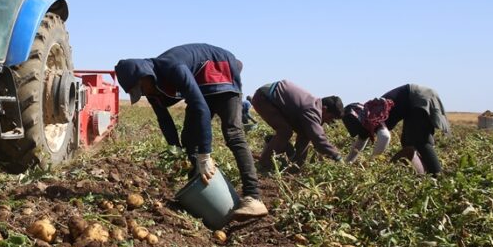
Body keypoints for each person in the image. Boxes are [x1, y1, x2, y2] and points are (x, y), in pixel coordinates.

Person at [115, 43, 268, 220]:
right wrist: (176, 148)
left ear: (145, 76)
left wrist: (205, 154)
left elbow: (200, 106)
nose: (143, 93)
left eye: (141, 89)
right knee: (189, 137)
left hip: (221, 70)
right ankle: (201, 191)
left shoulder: (173, 68)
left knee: (233, 134)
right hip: (203, 85)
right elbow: (164, 119)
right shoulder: (152, 88)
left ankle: (253, 197)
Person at [341, 84, 450, 176]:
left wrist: (372, 161)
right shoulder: (365, 120)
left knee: (420, 140)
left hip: (417, 97)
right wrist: (347, 165)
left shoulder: (372, 115)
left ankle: (437, 176)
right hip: (414, 101)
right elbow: (358, 146)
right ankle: (421, 173)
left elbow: (385, 137)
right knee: (407, 142)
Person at [250, 80, 343, 171]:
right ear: (325, 109)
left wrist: (297, 166)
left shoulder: (313, 106)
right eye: (331, 117)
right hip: (264, 98)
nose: (329, 121)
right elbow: (318, 139)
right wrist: (337, 156)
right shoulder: (312, 109)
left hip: (271, 99)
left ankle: (272, 146)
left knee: (303, 134)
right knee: (284, 132)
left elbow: (304, 138)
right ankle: (263, 164)